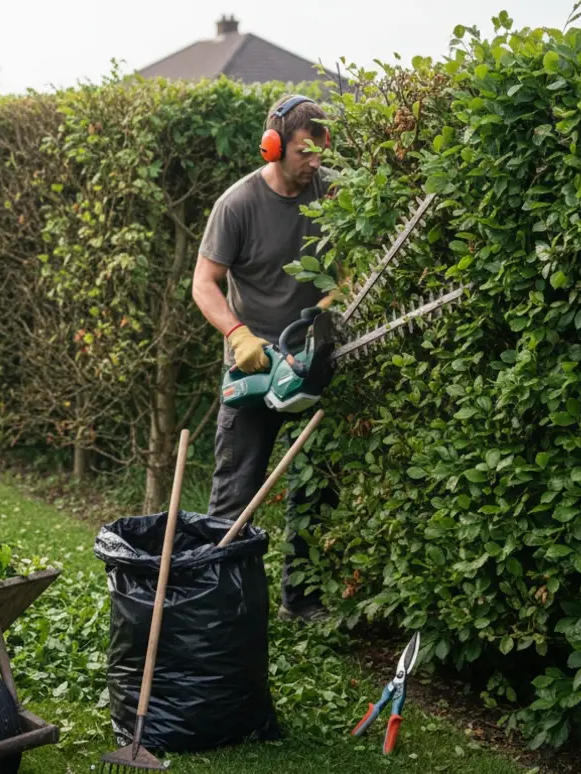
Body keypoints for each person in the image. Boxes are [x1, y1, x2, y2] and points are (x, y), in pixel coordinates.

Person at [192, 93, 341, 622]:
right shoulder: (237, 205)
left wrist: (330, 301)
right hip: (254, 366)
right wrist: (239, 335)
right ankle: (224, 604)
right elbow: (204, 285)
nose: (315, 162)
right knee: (235, 492)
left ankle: (300, 602)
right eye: (305, 151)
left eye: (321, 150)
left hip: (309, 361)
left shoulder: (331, 193)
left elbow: (348, 266)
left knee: (315, 491)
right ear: (273, 146)